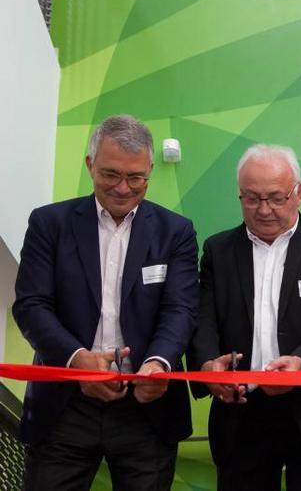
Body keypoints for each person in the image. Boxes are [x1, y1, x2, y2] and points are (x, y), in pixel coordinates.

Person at [13, 115, 199, 490]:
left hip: (147, 405)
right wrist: (76, 360)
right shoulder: (50, 224)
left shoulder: (175, 232)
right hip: (64, 405)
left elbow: (180, 309)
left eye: (136, 178)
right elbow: (31, 305)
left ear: (149, 171)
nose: (123, 188)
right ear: (89, 165)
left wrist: (157, 364)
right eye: (110, 174)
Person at [187, 144, 301, 491]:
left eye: (276, 198)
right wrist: (206, 367)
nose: (264, 210)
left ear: (299, 193)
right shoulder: (218, 251)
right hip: (240, 411)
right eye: (251, 198)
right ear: (239, 195)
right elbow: (203, 319)